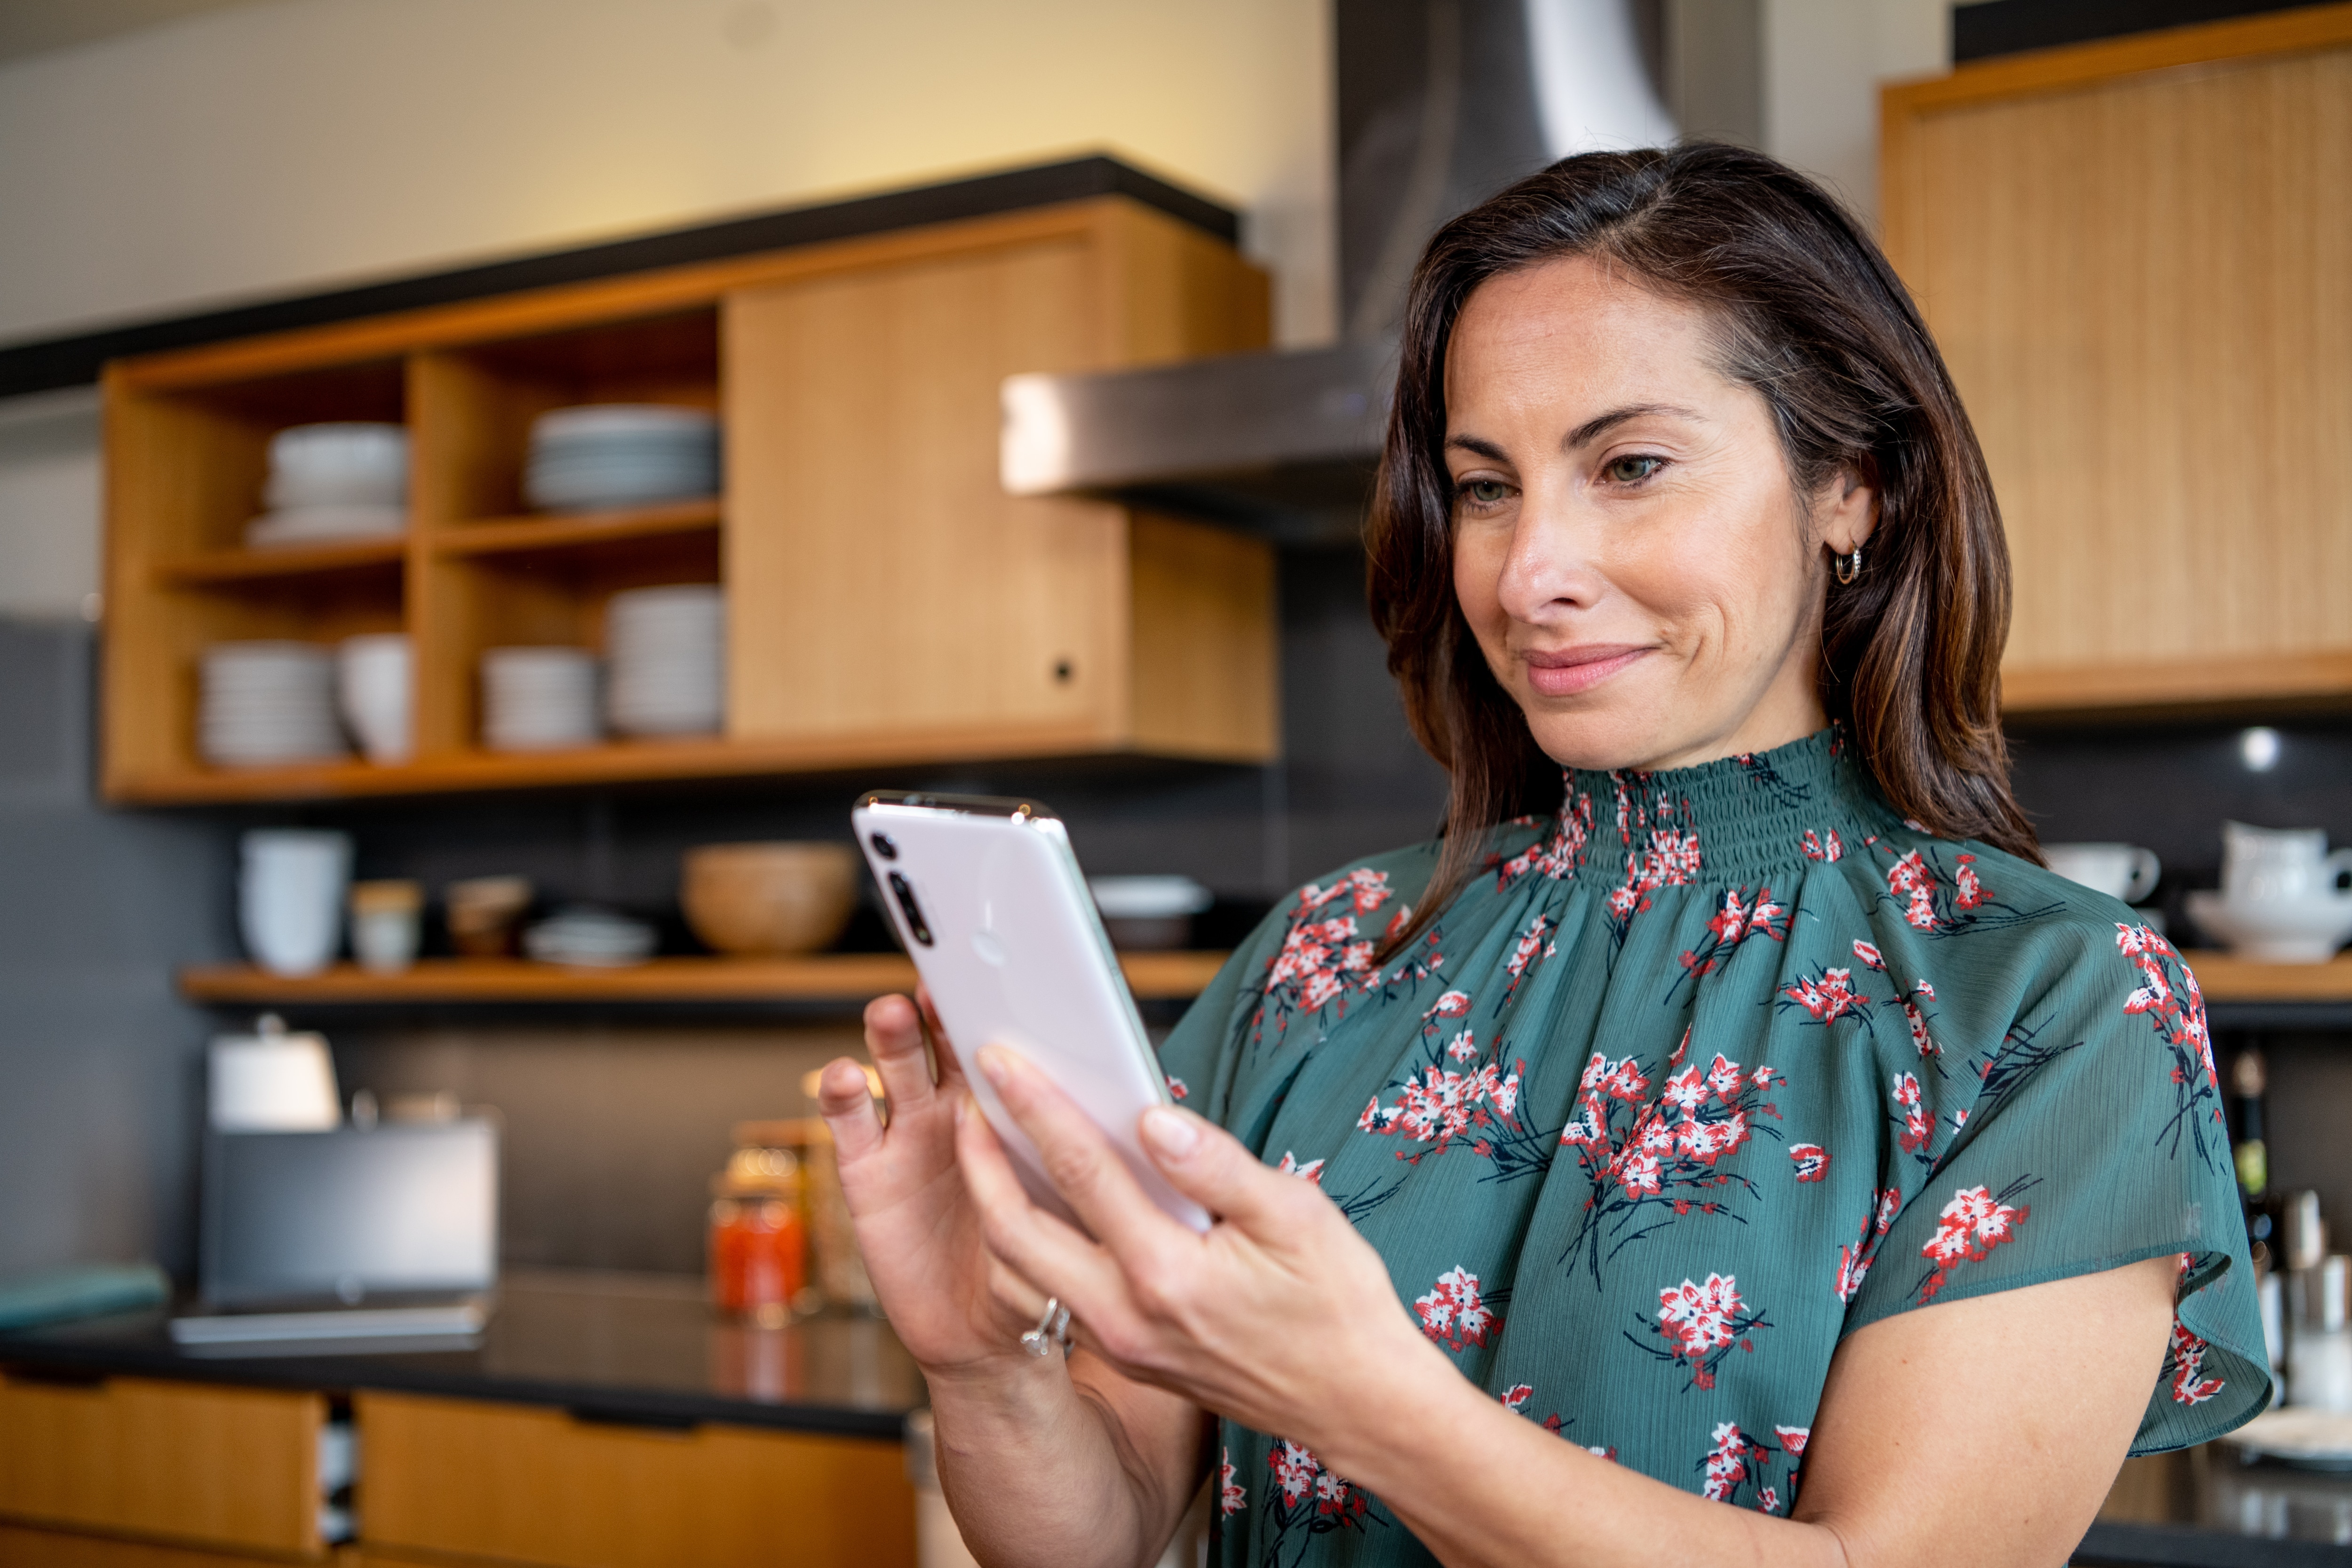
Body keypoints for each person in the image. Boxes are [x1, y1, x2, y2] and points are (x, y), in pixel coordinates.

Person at [818, 144, 2267, 1567]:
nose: (1528, 575)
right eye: (1487, 486)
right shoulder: (1327, 953)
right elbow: (1108, 1524)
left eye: (1629, 465)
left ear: (1855, 489)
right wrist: (984, 1369)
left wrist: (1366, 1408)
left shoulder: (2052, 1009)